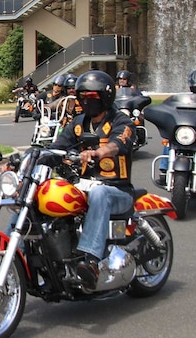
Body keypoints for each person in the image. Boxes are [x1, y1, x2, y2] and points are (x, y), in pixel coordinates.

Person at [48, 70, 135, 290]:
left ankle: (91, 260)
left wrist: (98, 152)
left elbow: (119, 143)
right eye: (83, 96)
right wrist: (27, 159)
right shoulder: (78, 123)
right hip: (83, 187)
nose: (87, 101)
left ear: (106, 97)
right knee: (44, 191)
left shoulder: (121, 120)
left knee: (100, 193)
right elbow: (57, 147)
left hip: (117, 189)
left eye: (92, 97)